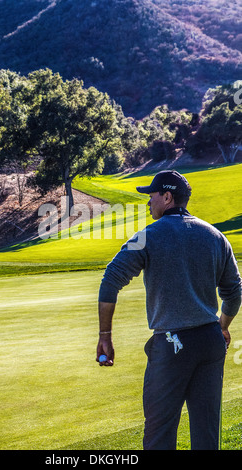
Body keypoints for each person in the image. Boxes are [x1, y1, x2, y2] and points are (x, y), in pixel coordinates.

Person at [96, 170, 242, 450]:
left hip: (172, 346)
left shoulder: (147, 235)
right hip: (210, 342)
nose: (148, 201)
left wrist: (105, 334)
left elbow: (110, 280)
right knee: (206, 432)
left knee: (159, 434)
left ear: (167, 196)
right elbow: (234, 291)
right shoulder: (215, 236)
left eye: (152, 195)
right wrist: (222, 327)